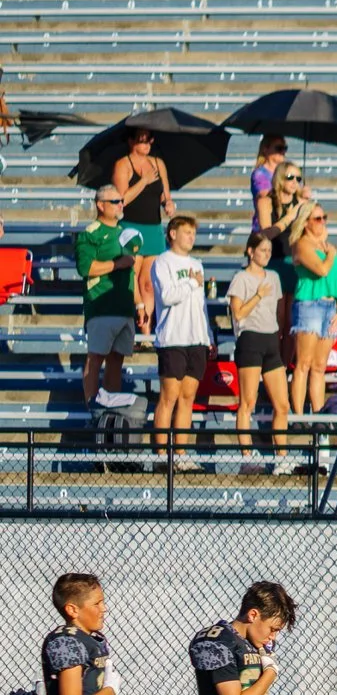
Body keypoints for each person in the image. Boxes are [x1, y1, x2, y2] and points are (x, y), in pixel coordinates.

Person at [149, 215, 211, 470]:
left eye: (193, 232)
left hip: (196, 339)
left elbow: (201, 304)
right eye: (186, 232)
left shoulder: (197, 264)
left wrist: (208, 336)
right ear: (172, 233)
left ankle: (181, 454)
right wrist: (191, 282)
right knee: (168, 397)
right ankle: (161, 455)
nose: (191, 237)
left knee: (188, 397)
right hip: (173, 338)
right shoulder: (162, 262)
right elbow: (167, 295)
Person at [75, 185, 140, 406]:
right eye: (115, 201)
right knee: (95, 359)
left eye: (121, 200)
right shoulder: (91, 232)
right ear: (100, 205)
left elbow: (132, 271)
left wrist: (138, 304)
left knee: (116, 360)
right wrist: (115, 264)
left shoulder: (126, 232)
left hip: (124, 306)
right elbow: (85, 268)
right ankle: (91, 409)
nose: (121, 204)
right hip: (101, 306)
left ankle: (111, 407)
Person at [227, 230, 290, 456]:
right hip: (250, 338)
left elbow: (280, 312)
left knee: (282, 405)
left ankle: (282, 456)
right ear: (250, 251)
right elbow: (238, 313)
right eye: (262, 250)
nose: (266, 254)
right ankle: (246, 454)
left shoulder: (273, 276)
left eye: (269, 251)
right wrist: (258, 295)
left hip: (271, 339)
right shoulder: (241, 278)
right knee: (248, 402)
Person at [289, 206, 337, 421]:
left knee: (320, 366)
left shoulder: (325, 245)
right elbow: (321, 269)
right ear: (306, 222)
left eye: (325, 217)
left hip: (329, 307)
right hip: (309, 305)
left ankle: (318, 415)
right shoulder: (302, 245)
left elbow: (335, 278)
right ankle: (298, 415)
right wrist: (331, 253)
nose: (322, 221)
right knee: (303, 362)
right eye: (317, 218)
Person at [111, 127, 171, 314]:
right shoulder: (123, 165)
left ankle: (145, 332)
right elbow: (121, 200)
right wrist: (143, 181)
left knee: (149, 284)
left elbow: (165, 194)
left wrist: (168, 204)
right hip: (131, 228)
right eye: (141, 140)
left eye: (148, 140)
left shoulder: (158, 163)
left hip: (153, 228)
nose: (146, 144)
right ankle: (133, 321)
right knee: (133, 279)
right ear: (131, 141)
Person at [249, 136, 288, 231]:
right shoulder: (259, 174)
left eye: (285, 148)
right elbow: (264, 195)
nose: (283, 151)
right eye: (279, 148)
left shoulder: (287, 172)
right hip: (264, 227)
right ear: (265, 150)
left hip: (282, 225)